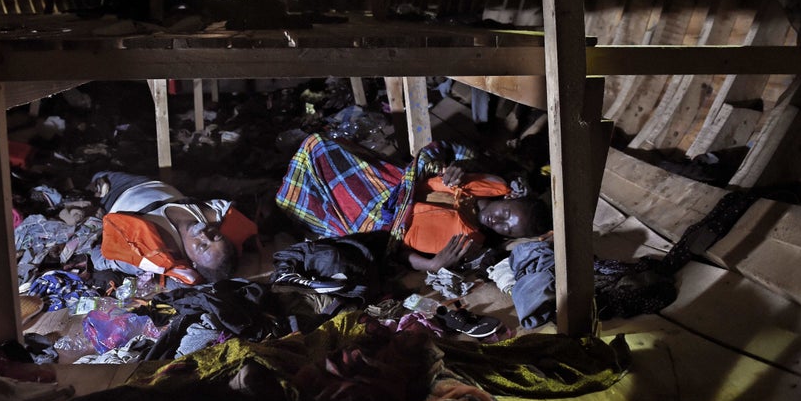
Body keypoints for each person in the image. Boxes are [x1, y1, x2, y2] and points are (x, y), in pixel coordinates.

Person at [275, 133, 551, 273]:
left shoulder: (469, 243)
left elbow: (398, 252)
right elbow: (439, 152)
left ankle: (293, 199)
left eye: (507, 229)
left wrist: (432, 265)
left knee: (307, 209)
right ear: (510, 198)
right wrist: (452, 167)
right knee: (319, 145)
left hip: (379, 224)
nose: (498, 222)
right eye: (505, 214)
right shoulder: (485, 180)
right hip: (392, 186)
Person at [89, 171, 255, 285]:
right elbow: (232, 209)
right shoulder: (213, 215)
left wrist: (97, 237)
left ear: (193, 264)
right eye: (216, 237)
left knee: (92, 178)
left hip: (115, 196)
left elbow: (101, 259)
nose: (204, 235)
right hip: (145, 182)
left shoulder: (154, 253)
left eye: (202, 246)